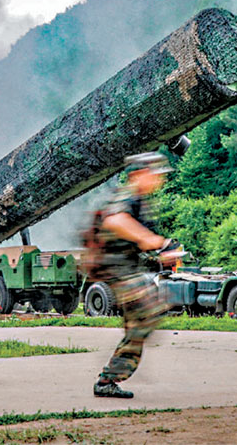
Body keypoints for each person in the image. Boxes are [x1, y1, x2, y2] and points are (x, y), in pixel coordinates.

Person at [86, 152, 173, 399]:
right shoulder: (127, 195)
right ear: (138, 174)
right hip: (119, 271)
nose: (159, 180)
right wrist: (150, 239)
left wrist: (157, 253)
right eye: (154, 174)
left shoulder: (142, 202)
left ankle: (108, 379)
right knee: (148, 313)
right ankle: (109, 377)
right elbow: (115, 221)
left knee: (141, 324)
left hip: (129, 269)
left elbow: (135, 243)